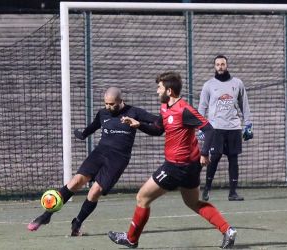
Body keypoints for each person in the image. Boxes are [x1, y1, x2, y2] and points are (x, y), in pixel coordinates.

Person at [108, 72, 237, 249]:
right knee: (193, 203)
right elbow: (158, 130)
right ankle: (227, 230)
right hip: (189, 167)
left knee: (142, 198)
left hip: (176, 167)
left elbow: (210, 130)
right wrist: (139, 125)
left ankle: (131, 239)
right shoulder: (165, 107)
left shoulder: (184, 109)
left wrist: (205, 153)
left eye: (159, 87)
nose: (156, 91)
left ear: (169, 91)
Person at [27, 87, 158, 236]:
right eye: (106, 103)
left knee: (95, 191)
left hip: (118, 159)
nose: (108, 107)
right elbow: (93, 126)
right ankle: (46, 216)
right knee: (76, 181)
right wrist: (82, 134)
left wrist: (140, 124)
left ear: (121, 101)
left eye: (111, 104)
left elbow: (158, 122)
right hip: (100, 153)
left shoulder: (135, 112)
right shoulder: (103, 113)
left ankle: (77, 222)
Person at [198, 55, 253, 201]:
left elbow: (244, 104)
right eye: (218, 64)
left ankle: (233, 193)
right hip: (215, 128)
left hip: (234, 128)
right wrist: (200, 128)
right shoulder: (208, 85)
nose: (220, 67)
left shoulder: (237, 83)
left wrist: (248, 124)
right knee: (214, 158)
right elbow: (202, 107)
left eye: (223, 64)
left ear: (226, 66)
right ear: (214, 67)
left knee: (233, 159)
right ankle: (207, 189)